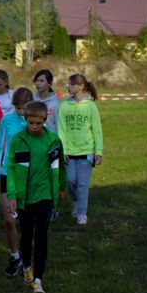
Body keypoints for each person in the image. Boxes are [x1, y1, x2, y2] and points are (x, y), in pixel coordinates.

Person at [7, 101, 66, 293]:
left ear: (44, 120)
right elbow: (12, 168)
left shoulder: (54, 140)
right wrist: (12, 194)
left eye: (38, 123)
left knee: (41, 234)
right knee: (26, 234)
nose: (34, 127)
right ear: (25, 120)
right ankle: (26, 266)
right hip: (24, 196)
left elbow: (60, 167)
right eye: (30, 123)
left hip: (45, 193)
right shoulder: (18, 140)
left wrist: (62, 187)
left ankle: (38, 279)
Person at [0, 87, 34, 277]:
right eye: (17, 108)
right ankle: (14, 255)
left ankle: (27, 257)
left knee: (25, 221)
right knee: (9, 220)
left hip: (27, 176)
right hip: (6, 174)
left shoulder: (35, 123)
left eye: (23, 108)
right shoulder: (7, 120)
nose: (20, 112)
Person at [58, 74, 103, 226]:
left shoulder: (91, 106)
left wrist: (98, 151)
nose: (68, 87)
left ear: (81, 87)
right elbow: (61, 131)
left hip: (86, 151)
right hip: (69, 152)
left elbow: (97, 130)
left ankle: (82, 213)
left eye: (71, 84)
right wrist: (63, 150)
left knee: (83, 184)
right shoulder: (64, 106)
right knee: (70, 180)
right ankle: (76, 201)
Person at [33, 69, 60, 134]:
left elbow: (58, 125)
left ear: (49, 84)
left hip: (50, 140)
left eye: (41, 81)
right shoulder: (32, 100)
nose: (38, 83)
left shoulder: (56, 103)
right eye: (36, 81)